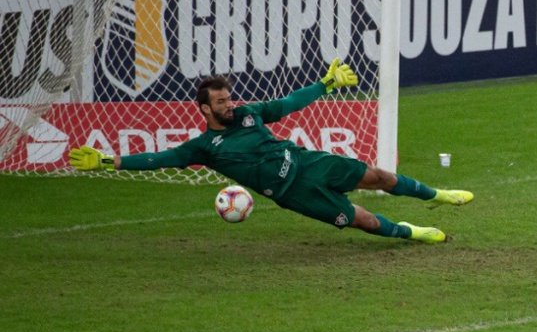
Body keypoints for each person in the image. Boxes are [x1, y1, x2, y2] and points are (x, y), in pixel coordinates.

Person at [67, 59, 474, 243]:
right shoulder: (204, 148)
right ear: (205, 109)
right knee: (363, 221)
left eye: (230, 99)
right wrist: (109, 160)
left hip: (306, 161)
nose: (230, 105)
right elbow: (159, 159)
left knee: (379, 177)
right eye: (221, 103)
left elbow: (287, 104)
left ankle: (439, 195)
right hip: (292, 193)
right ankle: (412, 233)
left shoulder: (249, 115)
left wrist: (325, 85)